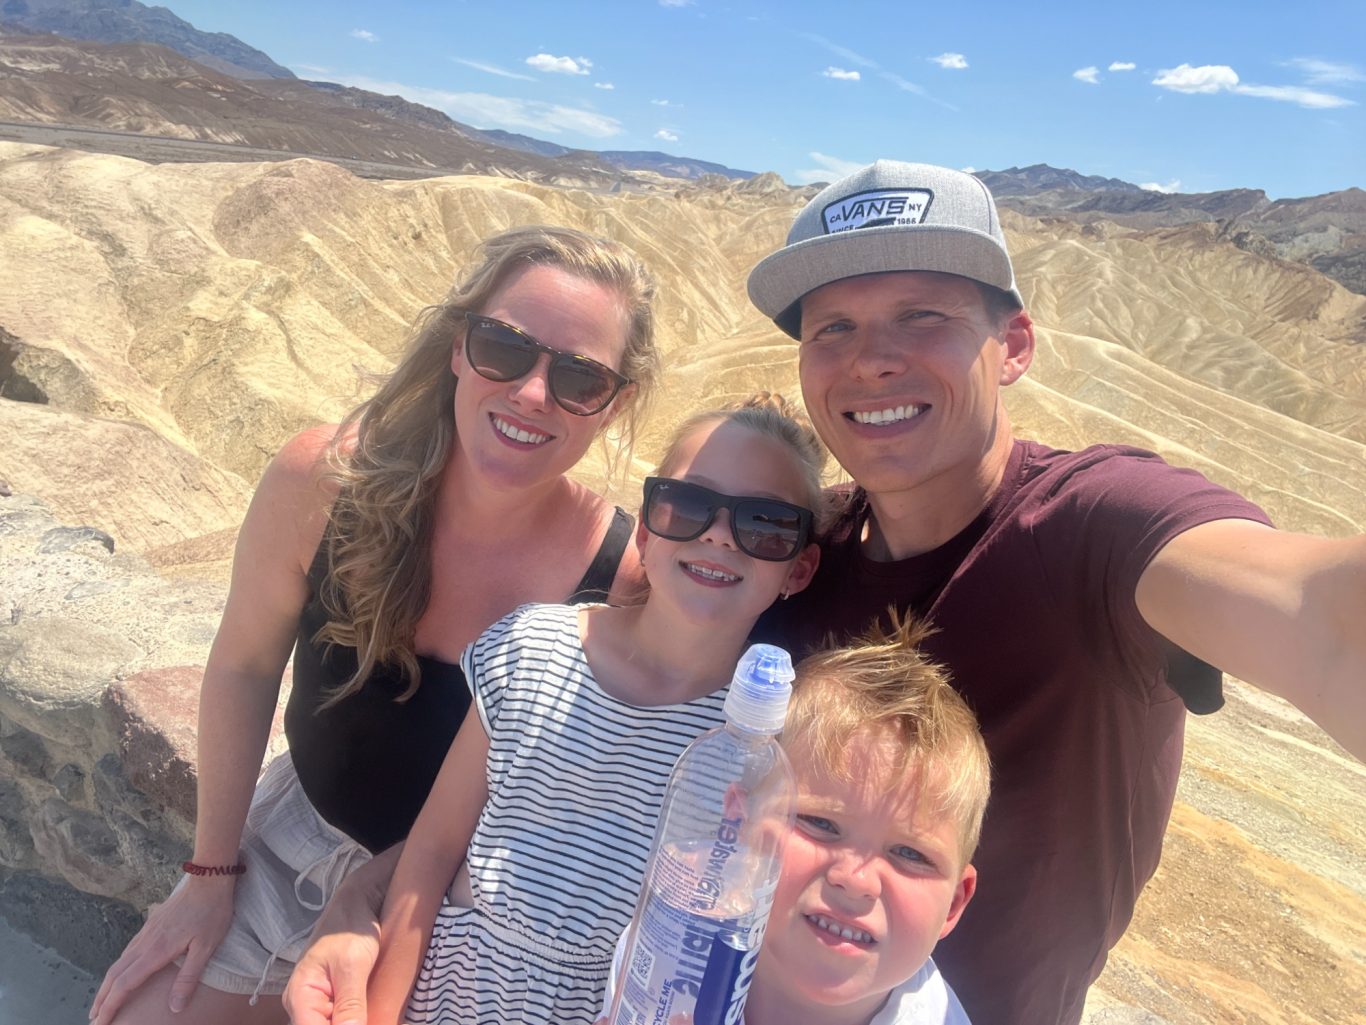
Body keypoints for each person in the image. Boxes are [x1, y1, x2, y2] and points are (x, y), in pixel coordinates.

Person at [743, 159, 1366, 1024]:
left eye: (922, 316)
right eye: (833, 327)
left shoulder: (1094, 528)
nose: (871, 360)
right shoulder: (797, 552)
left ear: (1015, 346)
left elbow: (1326, 621)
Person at [89, 225, 664, 1025]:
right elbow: (246, 666)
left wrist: (370, 891)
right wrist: (210, 875)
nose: (534, 393)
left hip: (453, 901)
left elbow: (566, 805)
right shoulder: (326, 484)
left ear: (615, 402)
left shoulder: (623, 580)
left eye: (579, 376)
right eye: (504, 347)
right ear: (459, 347)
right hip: (294, 839)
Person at [361, 395, 826, 1024]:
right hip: (451, 991)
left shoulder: (770, 744)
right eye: (688, 504)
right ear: (645, 529)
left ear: (799, 569)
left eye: (766, 523)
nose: (718, 535)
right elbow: (434, 850)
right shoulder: (532, 647)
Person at [600, 611, 990, 1025]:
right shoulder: (663, 957)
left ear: (954, 903)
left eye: (910, 854)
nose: (856, 880)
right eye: (821, 824)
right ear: (738, 829)